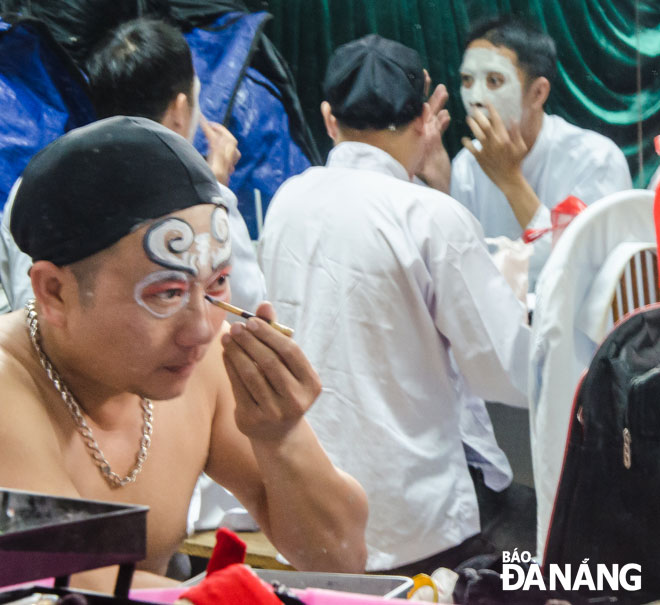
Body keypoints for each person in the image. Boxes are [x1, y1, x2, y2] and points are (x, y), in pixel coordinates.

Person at [0, 116, 368, 591]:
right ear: (54, 292)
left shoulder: (201, 363)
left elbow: (339, 558)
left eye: (216, 284)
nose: (200, 329)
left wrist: (282, 436)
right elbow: (68, 589)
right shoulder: (8, 387)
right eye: (166, 293)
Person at [259, 34, 531, 574]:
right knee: (570, 547)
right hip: (421, 520)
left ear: (329, 119)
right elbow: (505, 373)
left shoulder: (286, 200)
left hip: (316, 508)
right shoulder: (429, 216)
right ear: (425, 119)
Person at [0, 17, 266, 317]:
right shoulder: (194, 196)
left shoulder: (30, 187)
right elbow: (244, 314)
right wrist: (211, 190)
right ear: (180, 109)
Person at [450, 15, 632, 289]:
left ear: (537, 93)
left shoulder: (596, 160)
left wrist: (511, 182)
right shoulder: (466, 164)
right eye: (466, 80)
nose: (475, 97)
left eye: (494, 81)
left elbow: (586, 275)